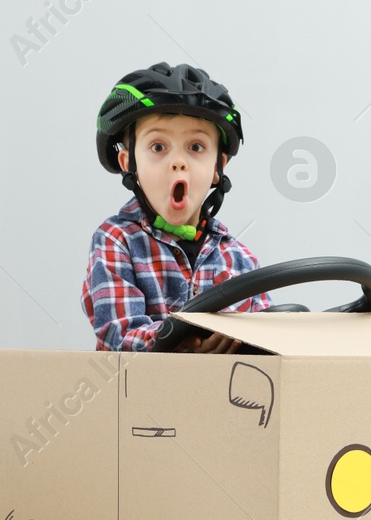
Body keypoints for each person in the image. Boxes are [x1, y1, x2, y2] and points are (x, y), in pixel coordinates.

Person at [83, 62, 270, 352]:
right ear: (128, 164)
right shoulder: (117, 241)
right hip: (141, 394)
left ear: (217, 168)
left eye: (196, 147)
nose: (178, 162)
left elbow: (266, 341)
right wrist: (188, 337)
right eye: (158, 147)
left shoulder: (240, 260)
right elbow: (120, 332)